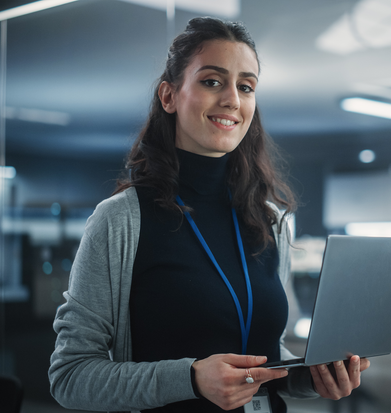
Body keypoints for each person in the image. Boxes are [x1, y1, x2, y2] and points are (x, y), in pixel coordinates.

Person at [49, 16, 370, 413]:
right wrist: (191, 379)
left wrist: (311, 376)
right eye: (212, 81)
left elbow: (264, 356)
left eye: (246, 86)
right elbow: (70, 375)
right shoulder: (121, 221)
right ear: (169, 96)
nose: (232, 100)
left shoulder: (268, 220)